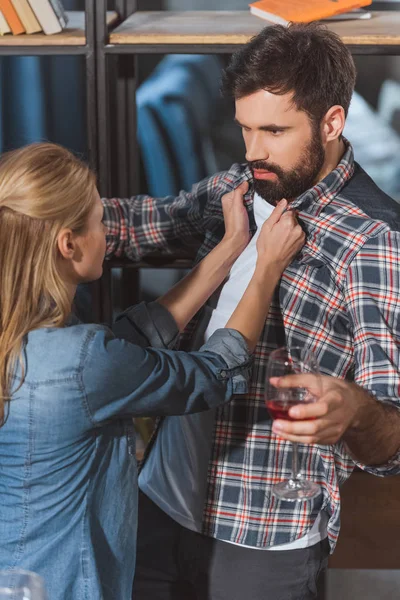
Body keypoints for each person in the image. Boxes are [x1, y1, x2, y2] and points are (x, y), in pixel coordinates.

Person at [102, 22, 400, 600]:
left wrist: (357, 412)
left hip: (265, 540)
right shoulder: (242, 186)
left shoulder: (377, 243)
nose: (252, 151)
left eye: (274, 130)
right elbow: (139, 225)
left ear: (332, 123)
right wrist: (40, 215)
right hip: (161, 501)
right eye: (244, 129)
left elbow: (393, 438)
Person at [0, 143, 304, 600]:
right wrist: (266, 267)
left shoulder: (33, 341)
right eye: (100, 222)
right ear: (68, 243)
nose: (108, 234)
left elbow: (123, 349)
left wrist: (230, 249)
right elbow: (213, 372)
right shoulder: (83, 360)